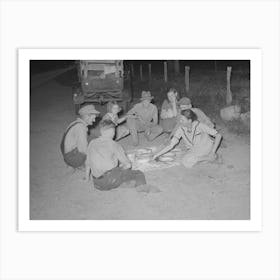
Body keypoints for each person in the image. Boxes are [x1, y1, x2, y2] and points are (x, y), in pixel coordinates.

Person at [85, 119, 159, 192]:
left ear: (101, 131)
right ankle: (141, 187)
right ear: (113, 132)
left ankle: (118, 183)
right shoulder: (114, 144)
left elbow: (88, 163)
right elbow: (128, 165)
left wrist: (87, 178)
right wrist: (122, 168)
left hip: (97, 183)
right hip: (110, 179)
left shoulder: (92, 142)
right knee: (138, 173)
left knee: (116, 171)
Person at [153, 109, 222, 168]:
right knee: (184, 161)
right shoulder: (181, 128)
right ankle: (205, 159)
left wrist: (213, 151)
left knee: (185, 160)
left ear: (189, 120)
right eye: (180, 119)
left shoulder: (199, 125)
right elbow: (171, 144)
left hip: (205, 147)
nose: (180, 121)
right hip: (194, 149)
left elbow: (218, 136)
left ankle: (209, 157)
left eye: (182, 120)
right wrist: (158, 154)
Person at [60, 104, 100, 168]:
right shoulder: (81, 128)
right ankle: (80, 164)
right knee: (97, 151)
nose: (94, 120)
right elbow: (83, 149)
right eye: (93, 118)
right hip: (73, 158)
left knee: (94, 138)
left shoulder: (76, 122)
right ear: (87, 117)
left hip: (67, 154)